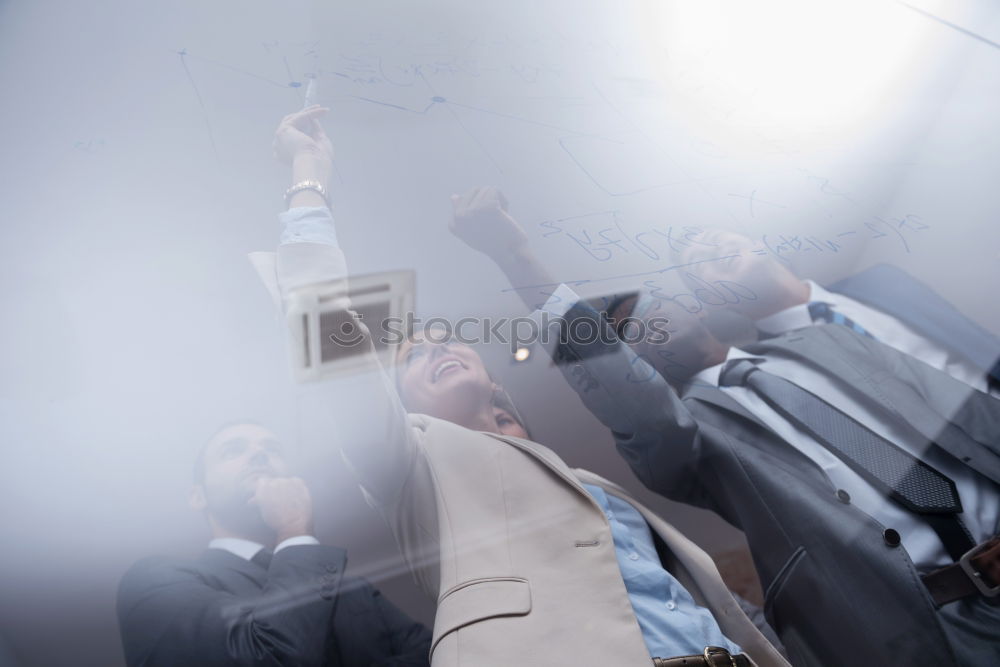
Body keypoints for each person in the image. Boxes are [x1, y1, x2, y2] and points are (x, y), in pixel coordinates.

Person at [253, 106, 790, 667]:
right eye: (413, 356)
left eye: (450, 340)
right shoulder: (406, 474)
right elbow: (323, 322)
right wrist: (308, 170)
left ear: (496, 385)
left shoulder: (590, 485)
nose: (437, 347)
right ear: (398, 408)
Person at [450, 186, 1000, 667]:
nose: (646, 319)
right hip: (938, 629)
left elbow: (973, 415)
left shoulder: (820, 339)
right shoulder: (681, 441)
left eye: (655, 302)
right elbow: (630, 398)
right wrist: (517, 256)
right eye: (624, 331)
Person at [116, 422, 431, 666]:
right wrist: (294, 531)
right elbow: (265, 659)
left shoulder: (353, 589)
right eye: (233, 450)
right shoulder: (155, 582)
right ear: (198, 496)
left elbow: (436, 657)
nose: (259, 455)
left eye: (273, 449)